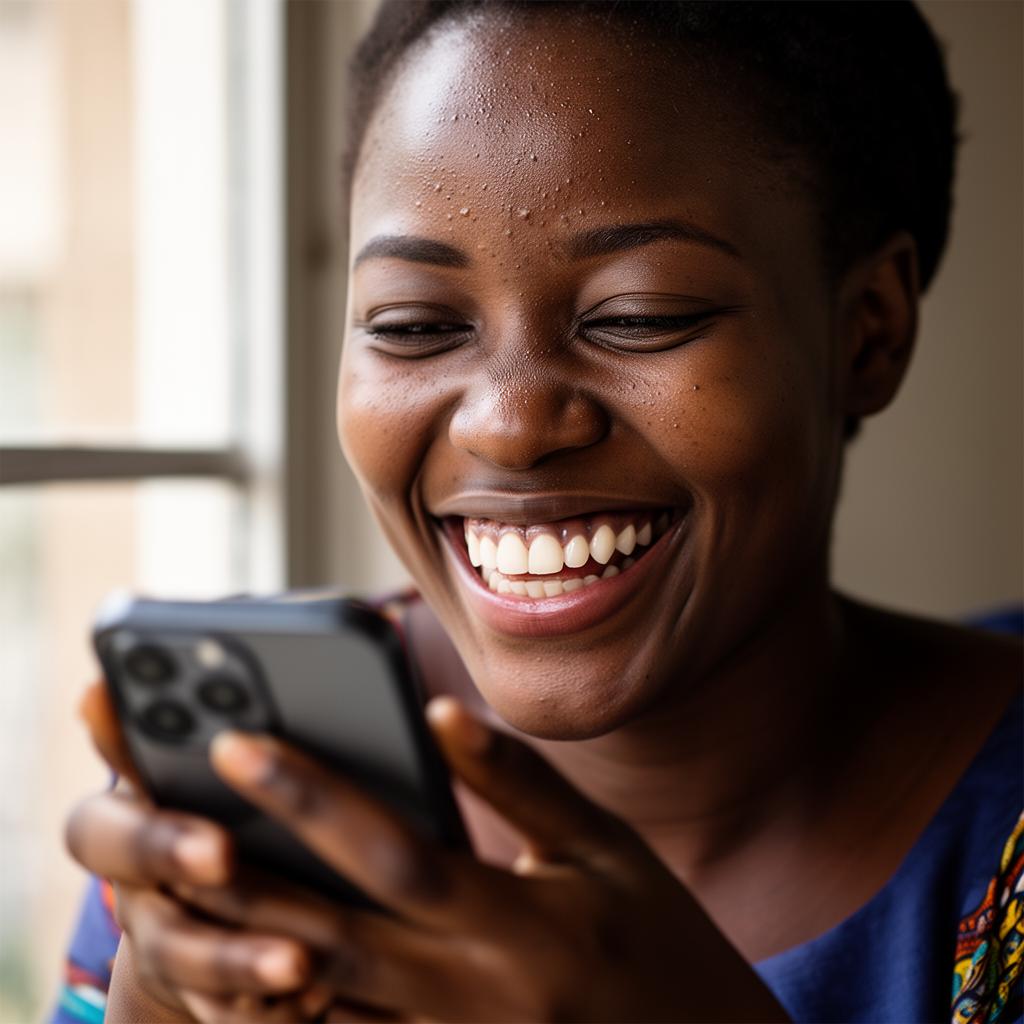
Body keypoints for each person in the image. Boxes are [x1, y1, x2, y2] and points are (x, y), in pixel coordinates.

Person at [57, 2, 1023, 1022]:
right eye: (414, 325)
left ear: (867, 332)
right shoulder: (262, 796)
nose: (509, 424)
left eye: (639, 316)